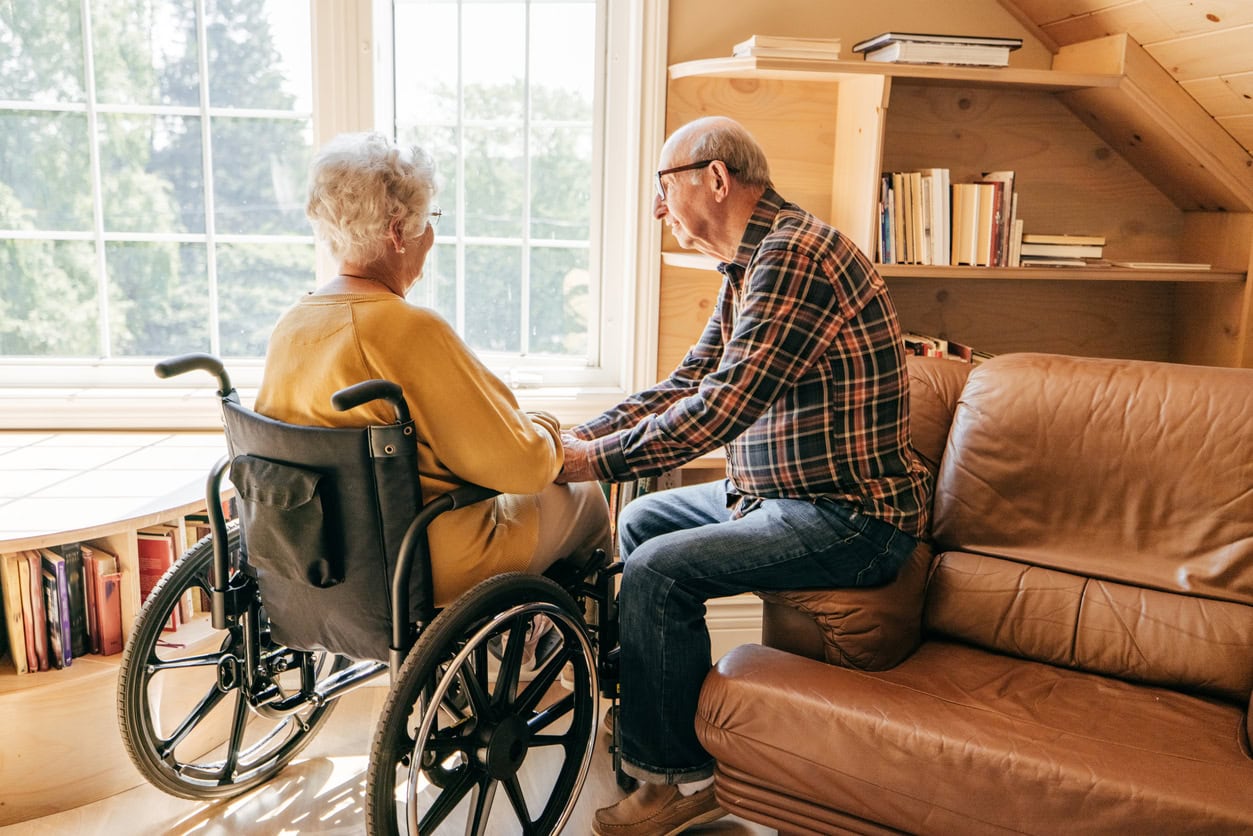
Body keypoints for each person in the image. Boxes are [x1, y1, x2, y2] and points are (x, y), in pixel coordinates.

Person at [557, 116, 931, 835]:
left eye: (663, 188)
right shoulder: (750, 265)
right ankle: (662, 715)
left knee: (661, 568)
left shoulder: (796, 257)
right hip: (775, 498)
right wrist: (584, 435)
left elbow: (724, 406)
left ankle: (676, 781)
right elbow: (691, 381)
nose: (658, 208)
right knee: (640, 520)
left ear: (716, 179)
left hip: (851, 516)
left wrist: (592, 461)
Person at [256, 132, 610, 658]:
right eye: (430, 222)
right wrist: (549, 430)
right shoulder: (408, 330)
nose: (430, 238)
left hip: (319, 552)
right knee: (586, 498)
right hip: (425, 561)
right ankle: (557, 650)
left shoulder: (292, 325)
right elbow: (523, 466)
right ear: (400, 231)